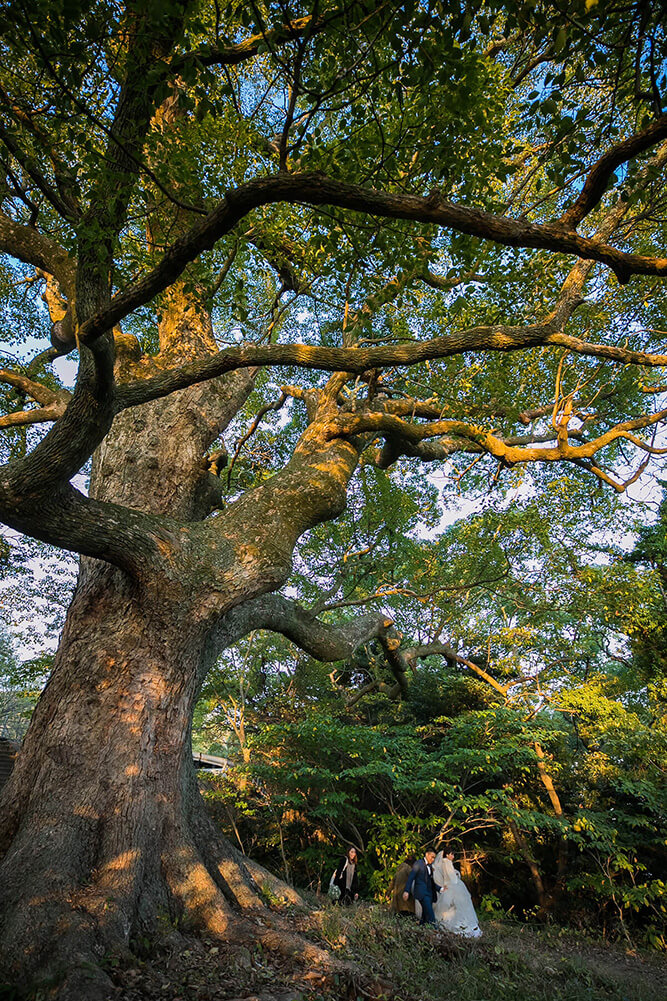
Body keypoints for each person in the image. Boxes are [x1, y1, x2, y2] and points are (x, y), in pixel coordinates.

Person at [432, 850, 482, 938]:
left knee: (455, 906)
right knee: (459, 904)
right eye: (451, 854)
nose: (453, 856)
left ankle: (463, 924)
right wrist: (456, 876)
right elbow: (451, 877)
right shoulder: (446, 863)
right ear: (447, 855)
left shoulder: (444, 863)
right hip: (452, 886)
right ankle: (464, 925)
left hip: (451, 886)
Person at [402, 847, 445, 925]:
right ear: (426, 854)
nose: (433, 860)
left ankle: (421, 929)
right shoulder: (419, 863)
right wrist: (406, 891)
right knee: (431, 916)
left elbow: (431, 882)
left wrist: (440, 888)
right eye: (432, 857)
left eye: (434, 858)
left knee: (425, 917)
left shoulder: (430, 866)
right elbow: (411, 877)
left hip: (429, 894)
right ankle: (435, 933)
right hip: (422, 894)